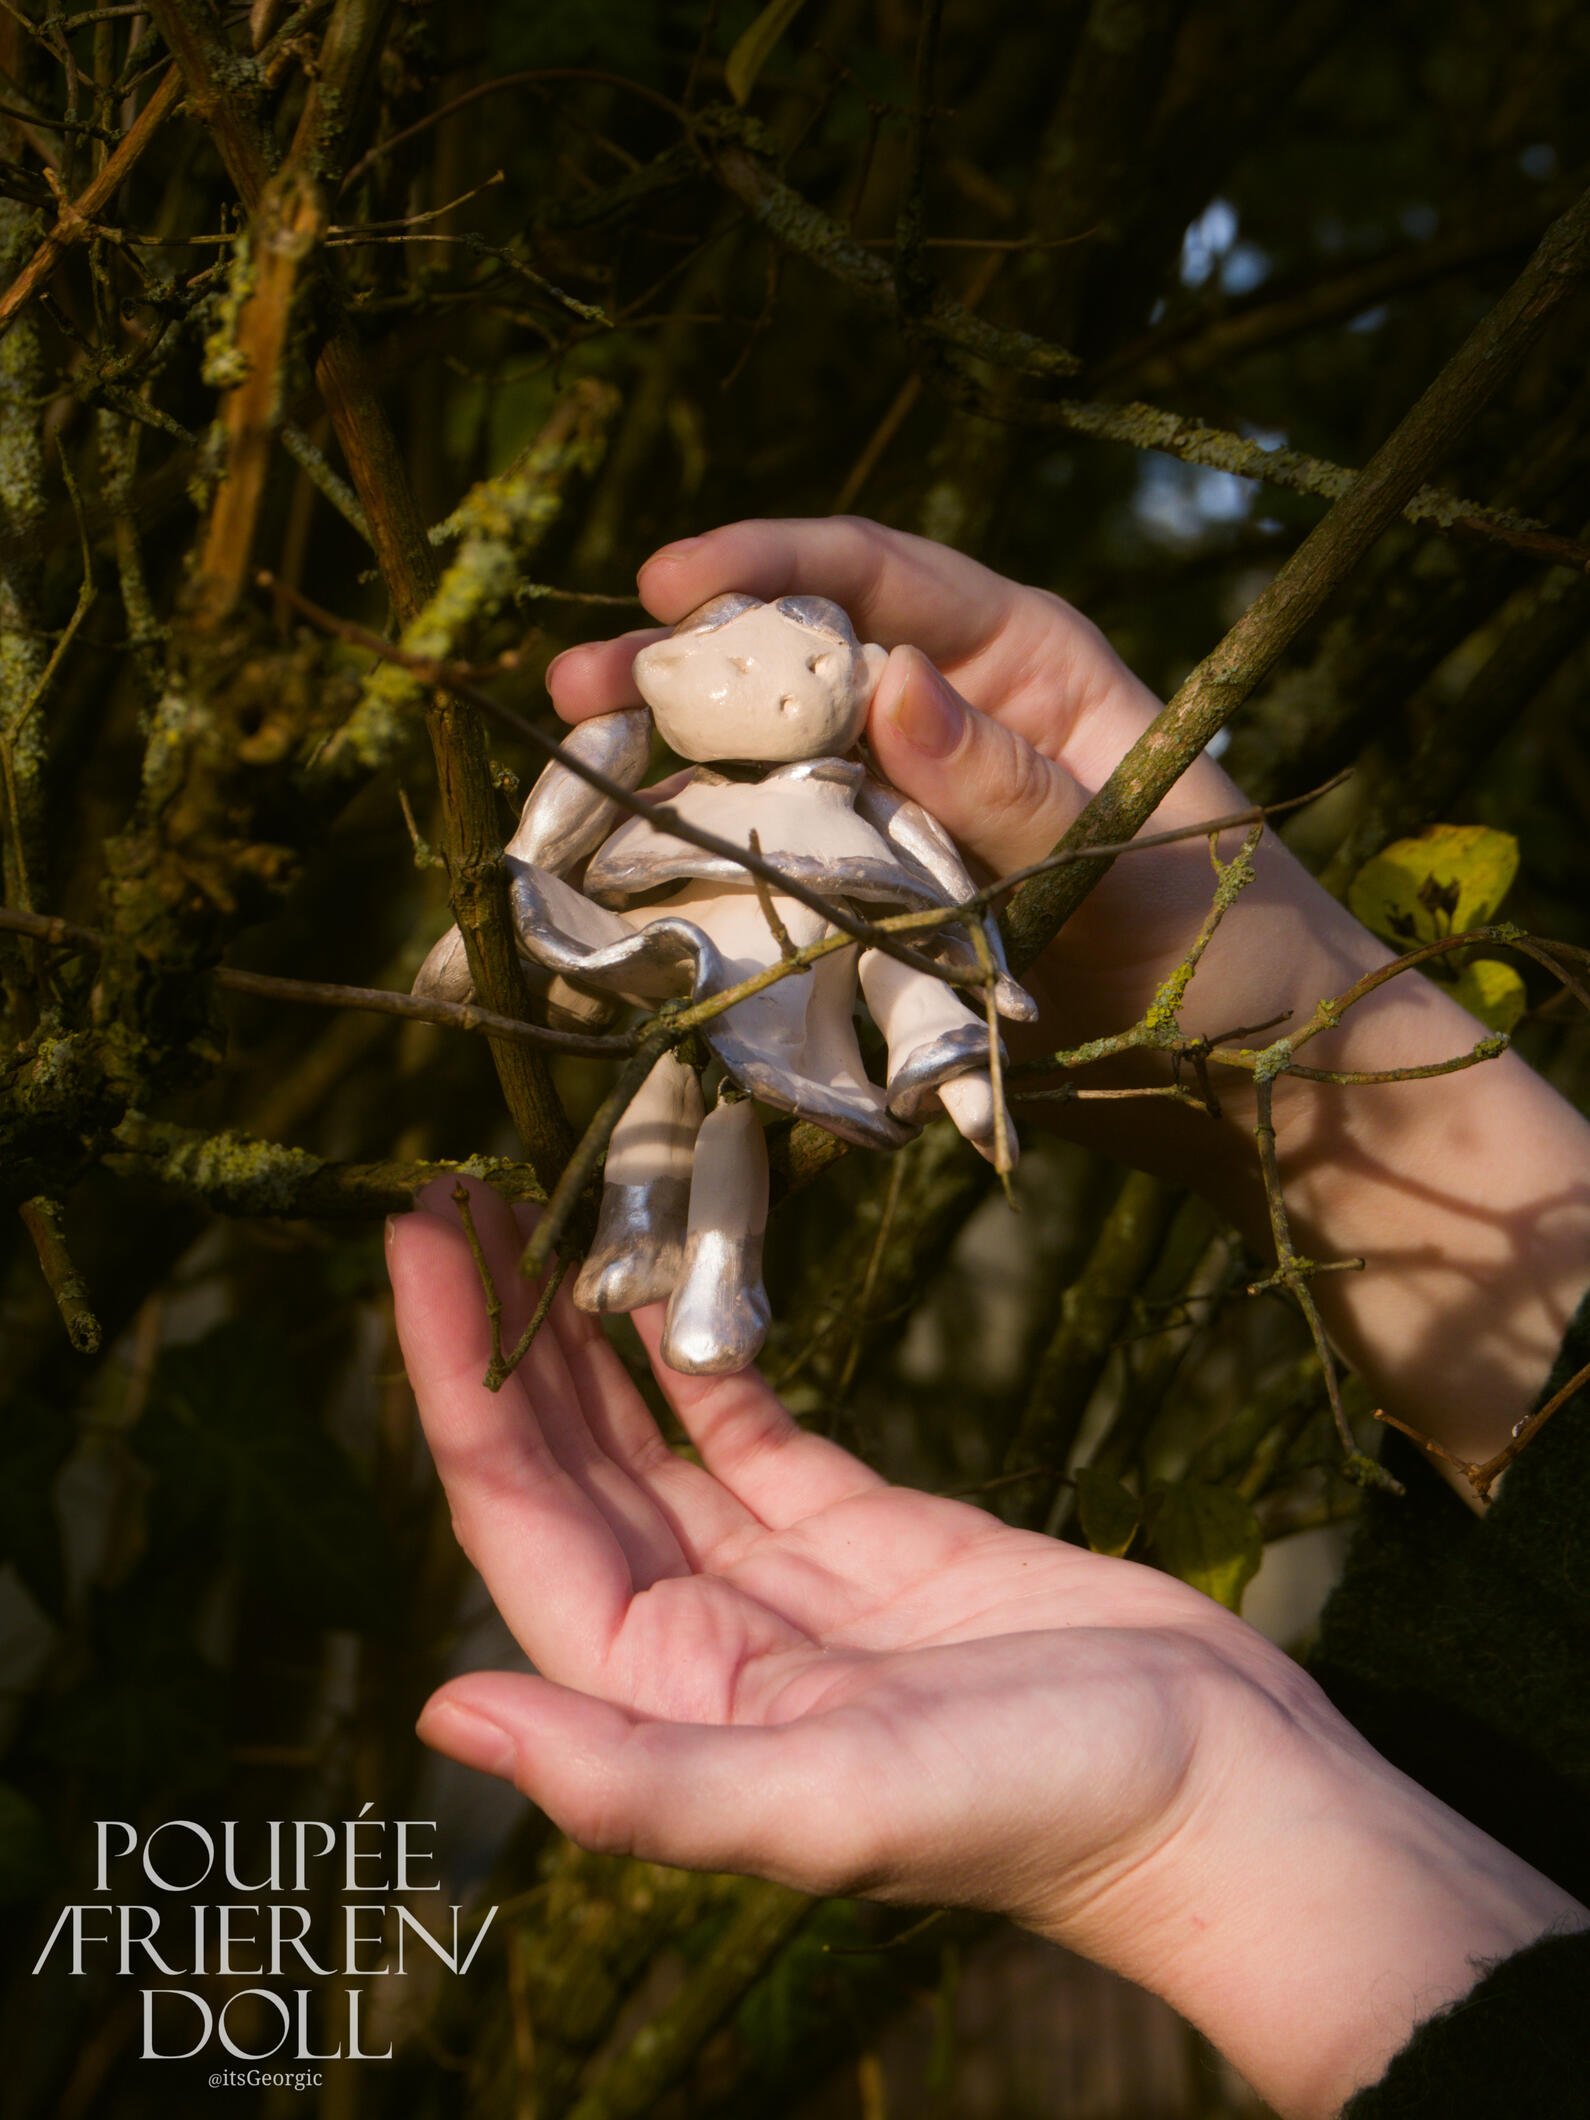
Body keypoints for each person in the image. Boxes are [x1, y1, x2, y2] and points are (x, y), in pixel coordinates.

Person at [387, 519, 1590, 2117]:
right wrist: (1312, 1048)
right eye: (729, 667)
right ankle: (646, 1237)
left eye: (802, 664)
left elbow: (922, 945)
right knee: (668, 1108)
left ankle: (707, 1273)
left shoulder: (862, 819)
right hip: (684, 959)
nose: (769, 686)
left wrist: (1205, 1831)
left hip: (802, 984)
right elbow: (554, 859)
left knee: (726, 1123)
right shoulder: (656, 798)